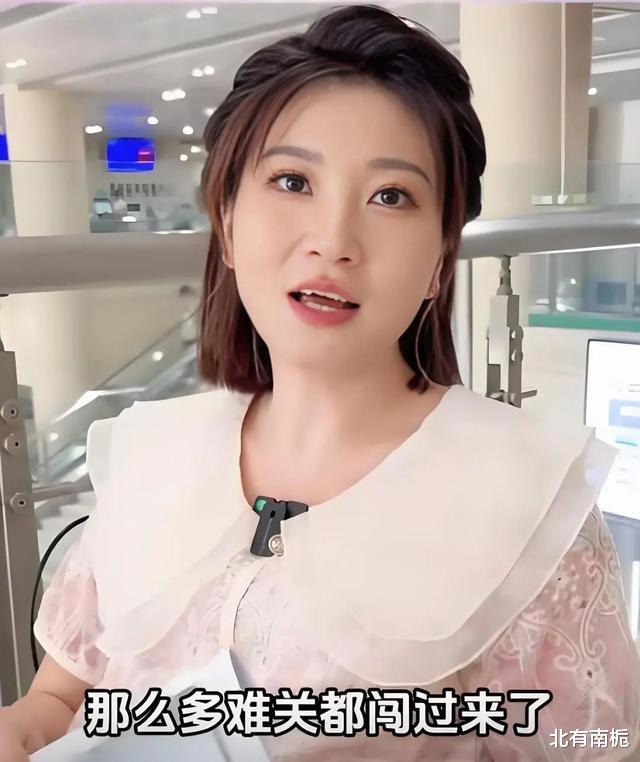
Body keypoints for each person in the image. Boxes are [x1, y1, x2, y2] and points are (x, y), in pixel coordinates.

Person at [1, 5, 639, 760]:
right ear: (228, 222)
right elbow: (60, 698)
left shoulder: (529, 505)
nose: (334, 242)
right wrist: (25, 729)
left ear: (440, 260)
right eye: (292, 180)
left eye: (391, 196)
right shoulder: (151, 455)